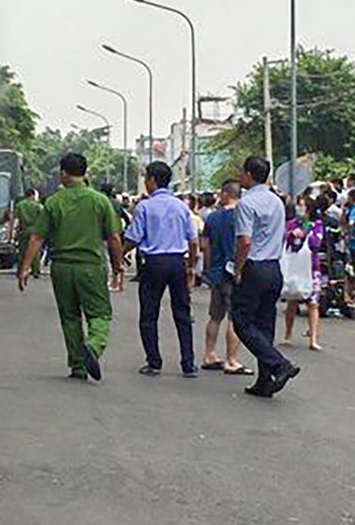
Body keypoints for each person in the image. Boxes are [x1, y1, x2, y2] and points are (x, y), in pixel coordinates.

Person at [20, 153, 124, 380]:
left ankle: (78, 365)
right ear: (85, 172)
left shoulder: (54, 202)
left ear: (63, 173)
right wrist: (118, 266)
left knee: (70, 316)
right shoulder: (100, 201)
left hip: (61, 267)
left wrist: (26, 266)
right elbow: (114, 237)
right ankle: (94, 346)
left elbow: (37, 237)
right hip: (90, 266)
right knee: (100, 314)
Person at [124, 161, 199, 378]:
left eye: (146, 179)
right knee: (182, 313)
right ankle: (188, 362)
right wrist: (192, 266)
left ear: (152, 180)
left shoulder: (145, 207)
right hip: (177, 262)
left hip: (154, 263)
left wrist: (121, 256)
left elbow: (134, 237)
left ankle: (154, 361)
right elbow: (193, 240)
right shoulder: (181, 207)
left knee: (149, 313)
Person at [231, 156, 299, 397]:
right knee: (264, 323)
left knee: (241, 321)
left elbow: (245, 240)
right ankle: (265, 379)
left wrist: (238, 269)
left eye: (242, 172)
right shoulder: (276, 201)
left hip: (254, 267)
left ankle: (279, 364)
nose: (240, 176)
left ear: (249, 174)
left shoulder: (246, 203)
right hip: (273, 266)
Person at [200, 180, 248, 375]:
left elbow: (205, 246)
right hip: (234, 272)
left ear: (226, 194)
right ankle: (232, 359)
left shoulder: (212, 218)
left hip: (217, 272)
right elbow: (245, 243)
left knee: (215, 316)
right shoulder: (241, 217)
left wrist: (209, 269)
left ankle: (209, 354)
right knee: (234, 318)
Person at [281, 197, 325, 351]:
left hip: (312, 269)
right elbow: (285, 239)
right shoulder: (292, 224)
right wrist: (293, 235)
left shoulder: (317, 225)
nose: (300, 209)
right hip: (295, 268)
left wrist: (305, 234)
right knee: (292, 302)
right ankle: (288, 334)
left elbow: (316, 244)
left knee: (313, 304)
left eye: (302, 206)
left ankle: (313, 338)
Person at [13, 188, 45, 279]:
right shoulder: (38, 206)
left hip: (23, 231)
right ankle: (36, 271)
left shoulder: (20, 205)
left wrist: (13, 232)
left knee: (22, 252)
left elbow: (16, 220)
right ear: (33, 196)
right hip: (35, 231)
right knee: (35, 251)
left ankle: (20, 271)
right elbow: (42, 218)